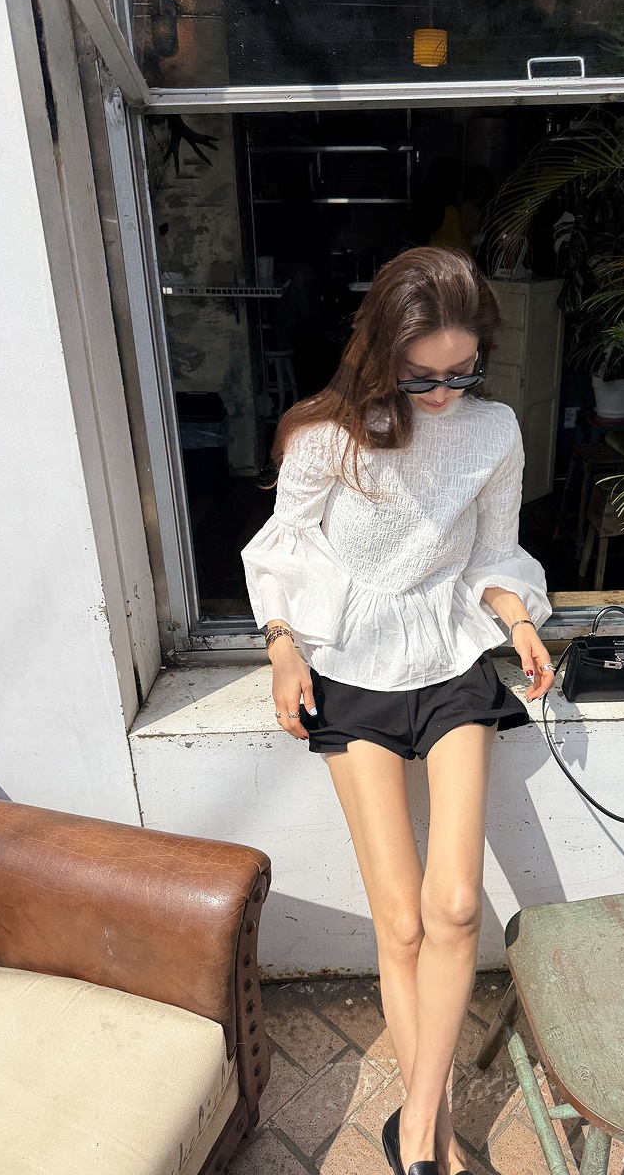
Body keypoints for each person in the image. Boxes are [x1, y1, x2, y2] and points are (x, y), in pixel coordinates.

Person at [241, 247, 554, 1175]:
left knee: (454, 907)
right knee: (403, 922)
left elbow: (494, 550)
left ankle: (417, 1129)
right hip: (350, 667)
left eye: (463, 373)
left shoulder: (495, 431)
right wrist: (282, 645)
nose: (445, 395)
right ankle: (435, 1138)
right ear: (383, 355)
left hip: (451, 657)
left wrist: (517, 620)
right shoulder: (328, 437)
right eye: (423, 378)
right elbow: (280, 548)